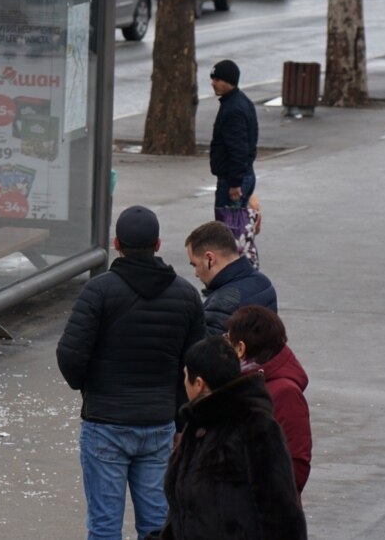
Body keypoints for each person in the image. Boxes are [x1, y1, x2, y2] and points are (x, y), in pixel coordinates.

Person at [55, 205, 207, 540]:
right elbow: (195, 365)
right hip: (159, 424)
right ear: (158, 244)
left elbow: (69, 355)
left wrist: (88, 387)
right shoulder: (186, 295)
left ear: (116, 243)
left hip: (105, 423)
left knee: (104, 526)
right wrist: (181, 421)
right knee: (156, 524)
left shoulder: (98, 291)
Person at [157, 336, 307, 540]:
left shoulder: (256, 428)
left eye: (185, 377)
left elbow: (282, 513)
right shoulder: (196, 425)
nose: (184, 384)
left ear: (199, 384)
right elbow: (180, 514)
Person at [225, 305, 311, 494]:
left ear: (241, 348)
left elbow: (295, 462)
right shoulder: (243, 381)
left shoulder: (284, 392)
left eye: (228, 340)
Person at [186, 220, 277, 335]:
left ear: (210, 258)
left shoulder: (224, 302)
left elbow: (208, 349)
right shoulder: (263, 282)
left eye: (195, 265)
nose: (196, 274)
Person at [209, 59, 258, 210]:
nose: (213, 83)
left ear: (229, 81)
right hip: (242, 175)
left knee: (228, 229)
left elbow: (238, 148)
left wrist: (235, 183)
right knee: (238, 228)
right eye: (212, 79)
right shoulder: (241, 101)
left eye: (217, 79)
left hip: (232, 181)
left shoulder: (233, 110)